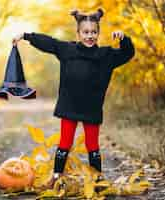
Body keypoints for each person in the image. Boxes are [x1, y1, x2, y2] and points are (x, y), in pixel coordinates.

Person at [12, 8, 135, 187]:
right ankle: (56, 177)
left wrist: (124, 39)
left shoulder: (106, 56)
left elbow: (127, 53)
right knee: (65, 142)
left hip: (91, 108)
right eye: (85, 32)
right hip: (69, 106)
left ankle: (97, 179)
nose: (90, 36)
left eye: (94, 32)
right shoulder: (67, 50)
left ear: (98, 33)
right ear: (78, 33)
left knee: (93, 145)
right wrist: (26, 35)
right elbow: (49, 43)